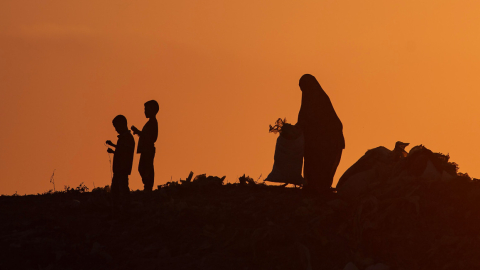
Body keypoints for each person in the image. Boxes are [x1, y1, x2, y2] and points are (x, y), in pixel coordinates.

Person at [296, 74, 345, 195]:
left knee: (322, 163)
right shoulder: (309, 101)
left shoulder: (320, 100)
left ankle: (320, 188)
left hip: (328, 140)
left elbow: (318, 121)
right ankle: (314, 187)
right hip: (316, 141)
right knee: (313, 161)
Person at [106, 115, 135, 207]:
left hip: (123, 168)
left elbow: (124, 151)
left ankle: (126, 207)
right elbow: (121, 150)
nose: (116, 129)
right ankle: (118, 208)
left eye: (116, 127)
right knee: (115, 190)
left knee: (122, 189)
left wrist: (114, 148)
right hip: (119, 169)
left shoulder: (128, 138)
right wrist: (113, 149)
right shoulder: (124, 138)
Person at [131, 100, 159, 191]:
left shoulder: (152, 123)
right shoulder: (150, 123)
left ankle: (148, 187)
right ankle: (147, 186)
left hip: (148, 149)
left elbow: (151, 138)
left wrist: (138, 132)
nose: (145, 112)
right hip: (146, 149)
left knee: (146, 168)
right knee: (143, 168)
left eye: (146, 109)